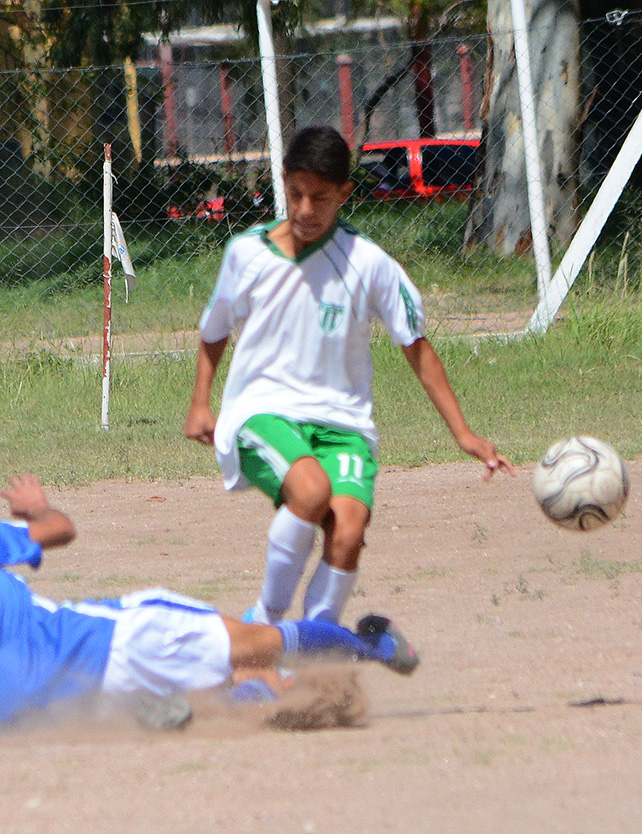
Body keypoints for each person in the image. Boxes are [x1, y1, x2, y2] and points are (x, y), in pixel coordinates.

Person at [0, 474, 418, 747]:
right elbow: (60, 530)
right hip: (114, 641)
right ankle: (367, 645)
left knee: (194, 687)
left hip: (68, 711)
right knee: (253, 641)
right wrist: (32, 507)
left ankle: (227, 703)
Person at [184, 125, 514, 627]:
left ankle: (316, 648)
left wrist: (464, 433)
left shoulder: (368, 264)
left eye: (320, 197)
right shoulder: (247, 254)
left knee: (349, 528)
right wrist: (201, 402)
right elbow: (214, 331)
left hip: (343, 421)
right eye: (295, 194)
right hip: (261, 411)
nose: (304, 210)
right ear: (283, 183)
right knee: (311, 492)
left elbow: (417, 348)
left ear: (344, 193)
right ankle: (264, 626)